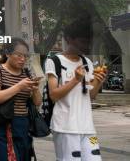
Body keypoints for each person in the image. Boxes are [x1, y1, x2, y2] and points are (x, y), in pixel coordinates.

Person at [46, 16, 106, 161]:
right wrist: (75, 80)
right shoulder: (54, 61)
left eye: (88, 41)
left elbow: (90, 96)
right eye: (83, 41)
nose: (87, 45)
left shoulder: (87, 62)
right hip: (65, 127)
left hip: (87, 128)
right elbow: (53, 95)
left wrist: (98, 80)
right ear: (69, 39)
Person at [0, 38, 42, 161]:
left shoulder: (26, 73)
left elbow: (37, 103)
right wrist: (19, 86)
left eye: (25, 56)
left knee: (24, 157)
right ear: (8, 53)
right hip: (4, 124)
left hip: (23, 124)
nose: (23, 59)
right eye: (19, 55)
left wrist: (35, 89)